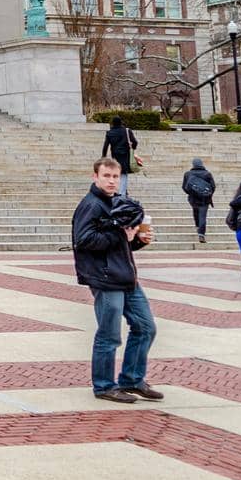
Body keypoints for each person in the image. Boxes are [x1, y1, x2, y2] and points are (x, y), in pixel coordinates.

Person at [71, 157, 159, 403]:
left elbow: (120, 245)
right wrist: (120, 234)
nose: (111, 181)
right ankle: (104, 385)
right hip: (105, 278)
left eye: (115, 177)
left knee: (146, 327)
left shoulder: (116, 203)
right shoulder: (91, 205)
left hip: (126, 277)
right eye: (106, 176)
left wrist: (137, 241)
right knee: (109, 334)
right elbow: (84, 241)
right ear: (95, 177)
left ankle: (132, 379)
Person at [100, 116, 138, 196]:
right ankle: (122, 194)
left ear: (113, 123)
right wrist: (132, 148)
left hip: (115, 157)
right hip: (125, 156)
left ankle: (120, 192)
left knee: (117, 173)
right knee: (124, 174)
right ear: (121, 122)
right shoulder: (127, 131)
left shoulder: (110, 133)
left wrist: (103, 157)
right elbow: (135, 142)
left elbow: (105, 147)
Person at [181, 157, 216, 243]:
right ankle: (201, 234)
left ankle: (198, 226)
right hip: (205, 199)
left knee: (196, 213)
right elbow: (213, 187)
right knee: (203, 216)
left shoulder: (188, 174)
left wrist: (191, 193)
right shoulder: (207, 174)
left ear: (193, 164)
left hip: (193, 199)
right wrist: (207, 194)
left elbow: (184, 187)